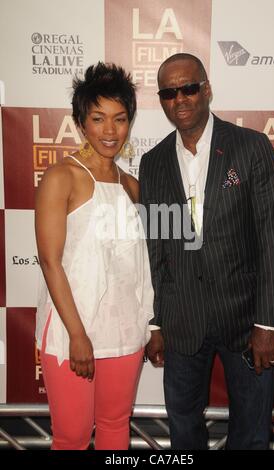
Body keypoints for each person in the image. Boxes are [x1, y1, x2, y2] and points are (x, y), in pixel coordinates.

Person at [139, 53, 274, 450]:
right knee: (183, 429)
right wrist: (156, 324)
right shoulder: (152, 163)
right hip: (181, 321)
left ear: (207, 89)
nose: (181, 99)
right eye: (170, 92)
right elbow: (157, 247)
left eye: (189, 88)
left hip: (246, 322)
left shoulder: (251, 147)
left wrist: (269, 324)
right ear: (162, 100)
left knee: (252, 432)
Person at [35, 62, 154, 450]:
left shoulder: (132, 187)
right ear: (81, 122)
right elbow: (50, 262)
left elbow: (141, 268)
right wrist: (77, 335)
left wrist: (150, 326)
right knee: (70, 437)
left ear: (129, 123)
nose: (109, 130)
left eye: (119, 119)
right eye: (98, 118)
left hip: (123, 332)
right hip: (73, 331)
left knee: (115, 428)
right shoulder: (61, 177)